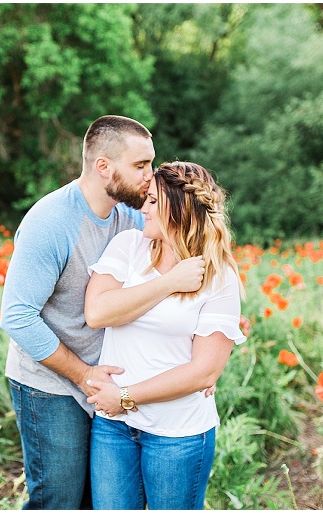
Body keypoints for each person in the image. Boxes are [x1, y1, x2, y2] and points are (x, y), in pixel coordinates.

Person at [0, 116, 205, 510]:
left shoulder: (132, 218)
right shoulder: (51, 222)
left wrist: (200, 362)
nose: (151, 178)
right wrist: (83, 374)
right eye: (140, 166)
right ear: (103, 167)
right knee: (58, 499)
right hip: (51, 382)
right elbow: (17, 316)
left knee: (99, 501)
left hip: (108, 383)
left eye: (151, 164)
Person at [83, 161, 247, 510]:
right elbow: (97, 312)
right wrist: (169, 283)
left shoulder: (219, 277)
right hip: (114, 429)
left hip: (177, 434)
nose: (143, 208)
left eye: (154, 201)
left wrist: (124, 396)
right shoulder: (128, 246)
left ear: (181, 206)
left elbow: (204, 372)